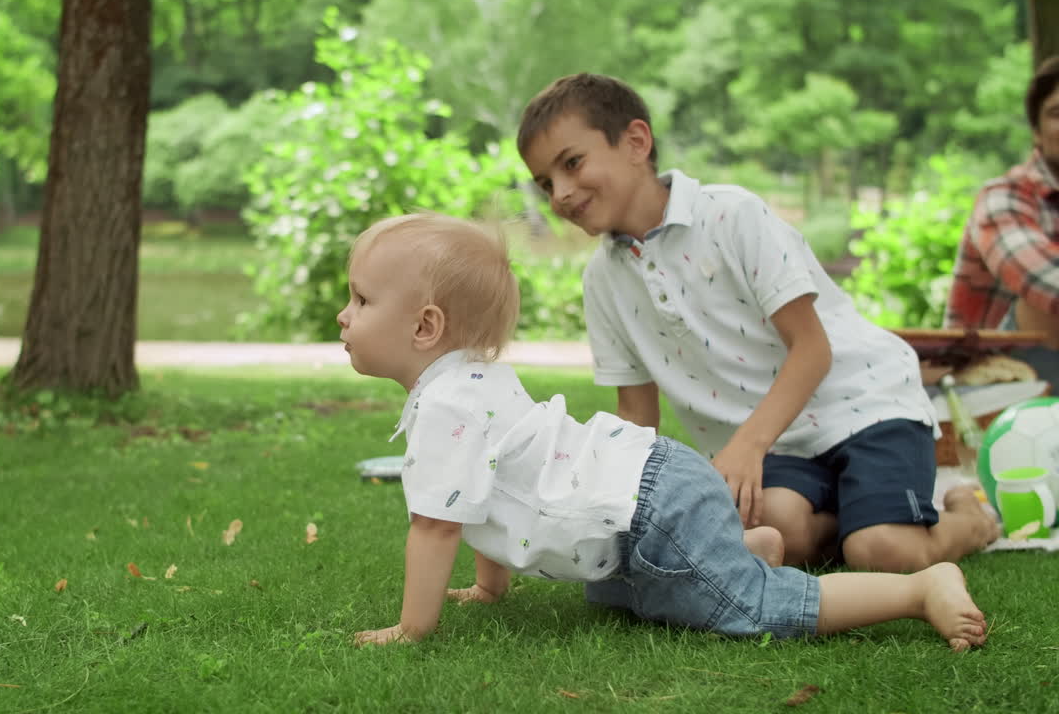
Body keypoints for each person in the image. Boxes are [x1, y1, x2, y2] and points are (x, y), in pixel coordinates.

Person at [339, 211, 987, 651]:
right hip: (647, 494)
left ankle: (916, 589)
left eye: (361, 300)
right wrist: (489, 586)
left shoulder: (447, 406)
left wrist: (412, 629)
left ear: (425, 327)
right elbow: (483, 494)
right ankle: (749, 544)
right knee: (633, 597)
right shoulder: (473, 382)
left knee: (749, 608)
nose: (345, 316)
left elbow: (437, 525)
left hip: (651, 511)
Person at [516, 73, 999, 574]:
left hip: (863, 405)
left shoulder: (732, 215)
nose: (562, 194)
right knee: (775, 534)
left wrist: (747, 445)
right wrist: (610, 510)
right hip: (780, 443)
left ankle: (969, 518)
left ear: (637, 141)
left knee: (882, 553)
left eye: (572, 164)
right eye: (546, 183)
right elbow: (636, 413)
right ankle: (853, 513)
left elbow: (813, 349)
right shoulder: (602, 279)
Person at [946, 55, 1059, 390]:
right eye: (1057, 113)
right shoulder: (1004, 197)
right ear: (1037, 133)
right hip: (988, 379)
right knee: (1045, 308)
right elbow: (1045, 281)